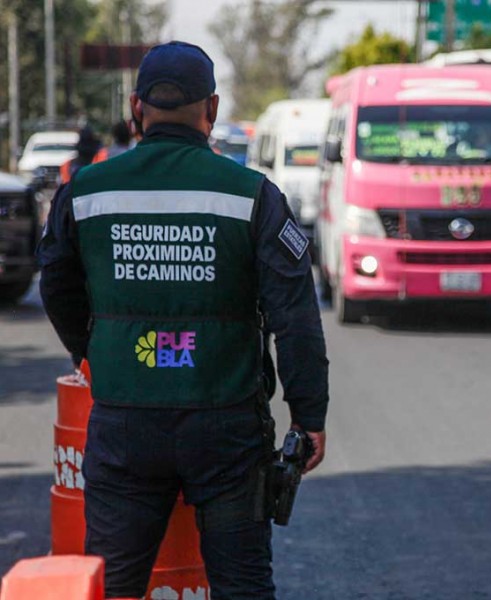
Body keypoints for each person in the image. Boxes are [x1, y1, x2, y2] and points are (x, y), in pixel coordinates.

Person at [37, 41, 329, 599]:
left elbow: (56, 284)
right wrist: (307, 415)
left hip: (124, 424)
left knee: (114, 586)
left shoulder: (85, 193)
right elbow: (295, 315)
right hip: (226, 429)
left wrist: (92, 354)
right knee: (242, 585)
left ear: (136, 107)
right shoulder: (253, 196)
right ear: (212, 109)